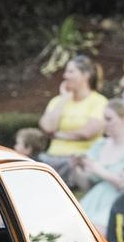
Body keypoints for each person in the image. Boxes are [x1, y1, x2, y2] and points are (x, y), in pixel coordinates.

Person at [79, 98, 124, 235]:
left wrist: (99, 171)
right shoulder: (100, 145)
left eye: (109, 119)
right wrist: (78, 169)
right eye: (103, 118)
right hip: (94, 198)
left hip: (120, 200)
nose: (104, 123)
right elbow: (86, 184)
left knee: (93, 234)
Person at [39, 55, 108, 185]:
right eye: (66, 72)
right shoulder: (58, 101)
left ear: (85, 75)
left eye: (71, 72)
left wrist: (57, 134)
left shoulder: (99, 102)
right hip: (51, 158)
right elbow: (47, 127)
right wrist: (63, 100)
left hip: (80, 158)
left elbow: (86, 133)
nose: (65, 76)